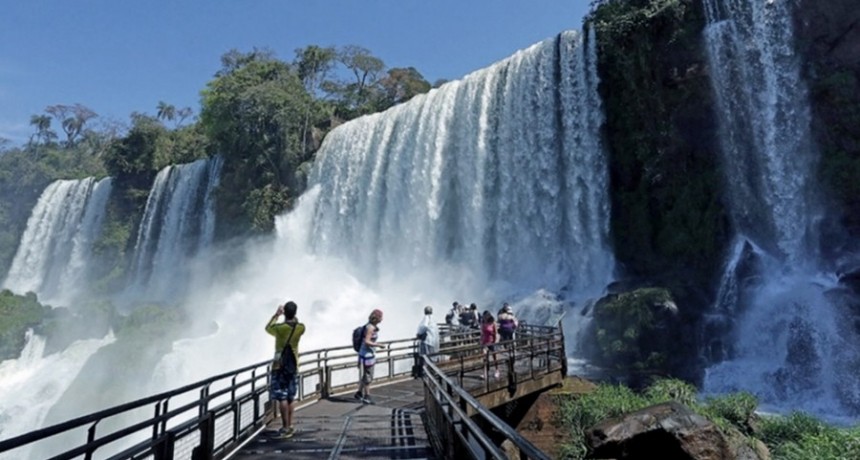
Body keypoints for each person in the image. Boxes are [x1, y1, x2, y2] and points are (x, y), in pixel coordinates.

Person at [265, 301, 306, 439]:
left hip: (279, 366)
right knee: (290, 397)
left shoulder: (279, 328)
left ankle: (285, 427)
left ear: (285, 313)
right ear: (295, 313)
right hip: (293, 365)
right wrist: (291, 316)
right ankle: (290, 424)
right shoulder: (300, 328)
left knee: (282, 396)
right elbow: (297, 322)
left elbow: (267, 328)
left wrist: (277, 315)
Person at [355, 309, 387, 405]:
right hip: (367, 356)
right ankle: (367, 396)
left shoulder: (369, 325)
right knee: (368, 376)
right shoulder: (370, 328)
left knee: (365, 374)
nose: (382, 319)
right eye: (381, 317)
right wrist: (378, 345)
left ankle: (359, 393)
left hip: (364, 354)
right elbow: (367, 341)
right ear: (376, 318)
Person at [480, 310, 499, 379]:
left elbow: (496, 333)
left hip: (491, 341)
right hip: (485, 342)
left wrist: (495, 341)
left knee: (494, 357)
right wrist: (481, 341)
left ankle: (497, 370)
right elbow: (482, 333)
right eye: (484, 316)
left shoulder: (493, 322)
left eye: (485, 316)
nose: (484, 318)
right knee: (484, 358)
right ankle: (485, 373)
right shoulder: (482, 322)